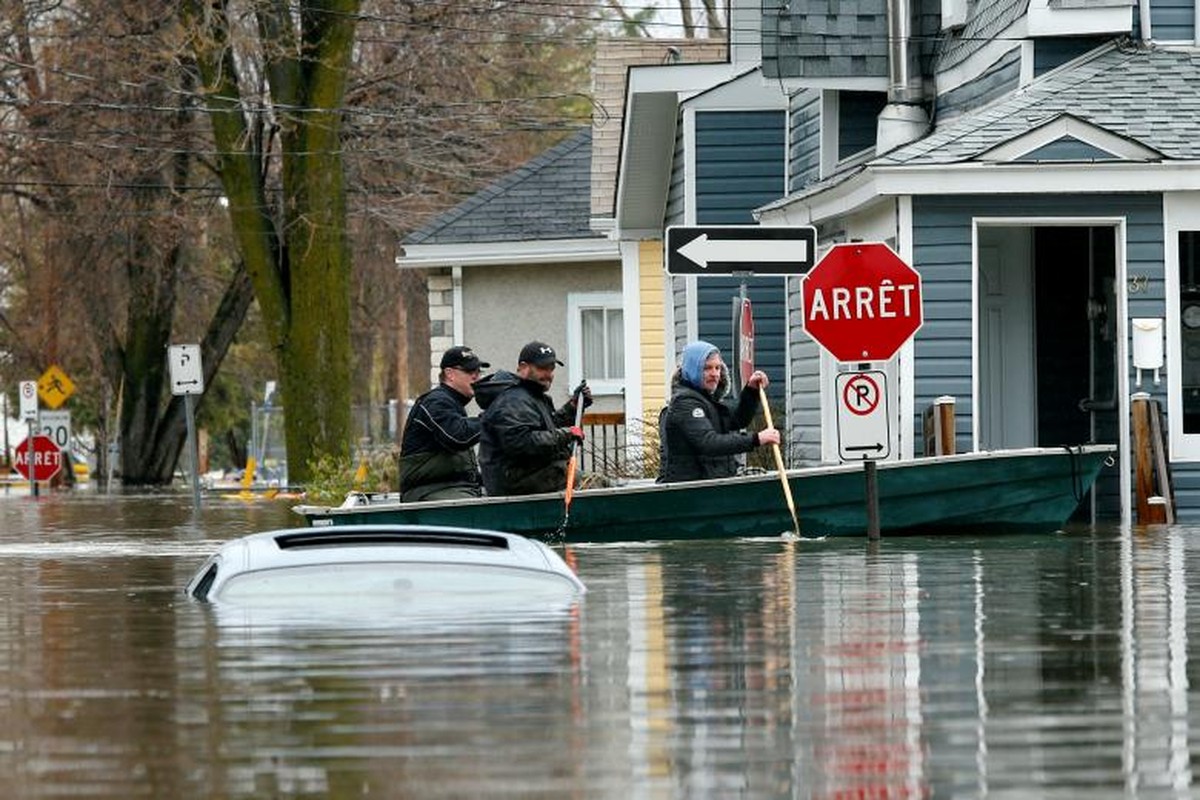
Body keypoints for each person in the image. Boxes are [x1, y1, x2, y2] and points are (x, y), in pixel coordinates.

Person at [476, 341, 591, 496]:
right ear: (523, 367)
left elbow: (547, 429)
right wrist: (567, 434)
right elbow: (522, 442)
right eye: (542, 368)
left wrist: (573, 407)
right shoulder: (513, 400)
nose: (548, 374)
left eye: (552, 369)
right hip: (517, 484)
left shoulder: (531, 397)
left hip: (530, 476)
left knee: (592, 482)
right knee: (596, 484)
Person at [658, 340, 780, 483]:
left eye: (717, 368)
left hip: (709, 487)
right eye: (707, 368)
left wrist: (751, 391)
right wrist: (757, 439)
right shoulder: (684, 403)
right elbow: (708, 442)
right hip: (689, 493)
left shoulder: (707, 401)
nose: (714, 374)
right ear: (692, 369)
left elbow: (738, 419)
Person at [398, 345, 490, 502]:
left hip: (448, 488)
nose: (476, 377)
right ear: (449, 374)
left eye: (478, 372)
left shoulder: (452, 404)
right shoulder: (436, 402)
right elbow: (457, 437)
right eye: (469, 371)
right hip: (428, 493)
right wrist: (493, 418)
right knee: (475, 515)